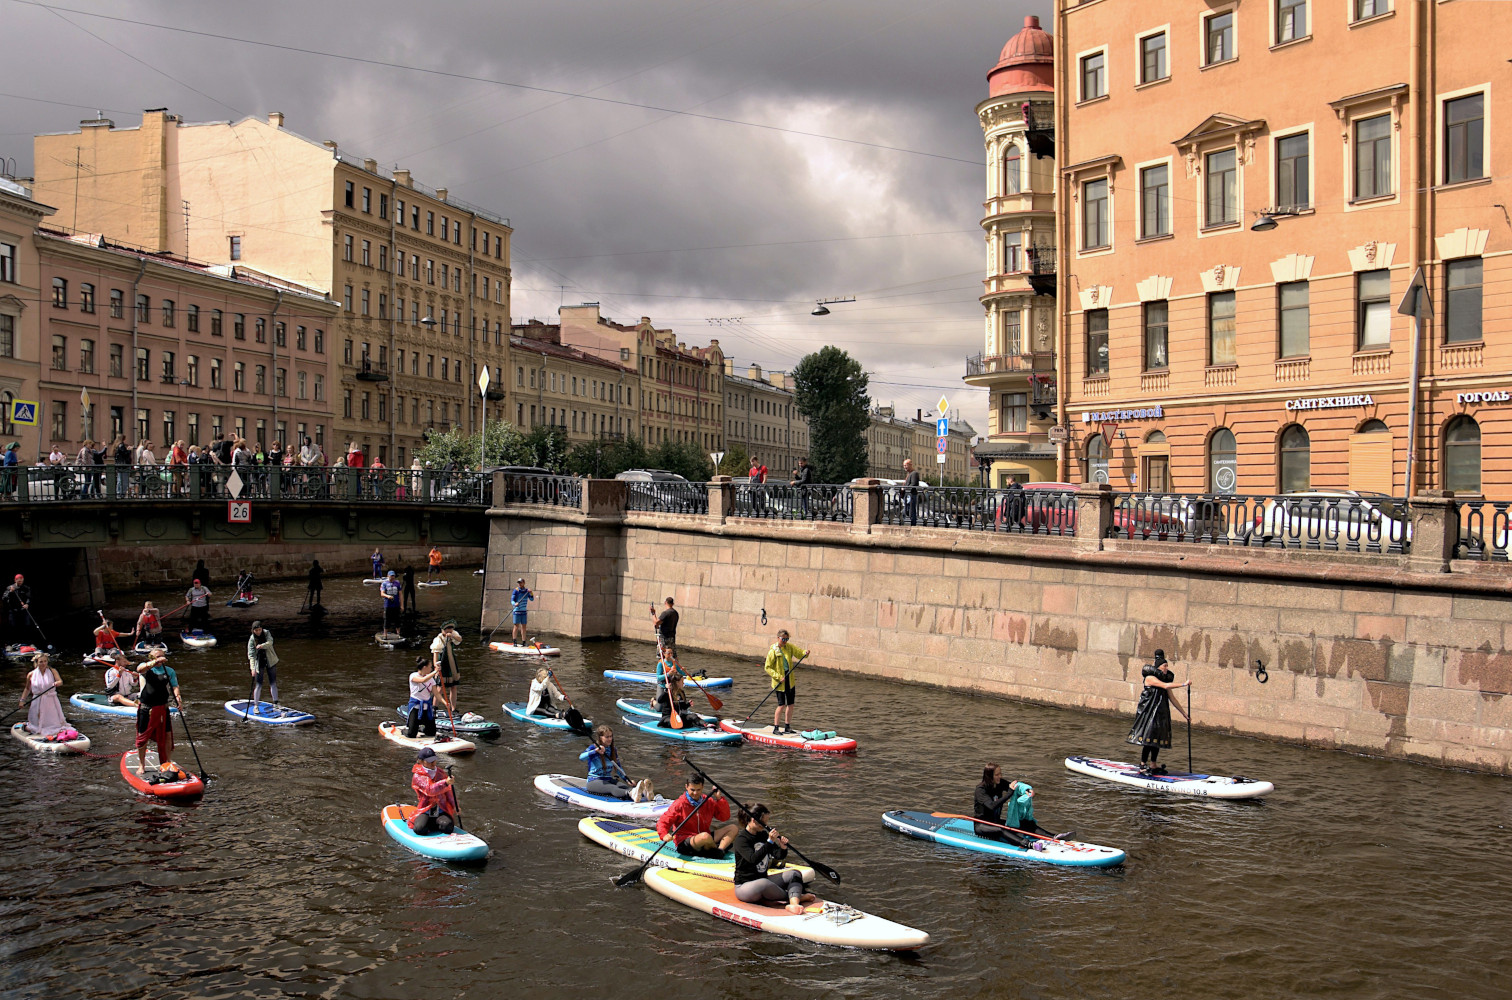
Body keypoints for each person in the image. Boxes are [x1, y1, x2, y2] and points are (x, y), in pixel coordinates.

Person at [732, 803, 816, 914]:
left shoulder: (762, 835)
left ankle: (794, 904)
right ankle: (796, 896)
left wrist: (783, 847)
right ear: (754, 820)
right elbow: (753, 859)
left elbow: (778, 855)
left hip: (764, 879)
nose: (766, 825)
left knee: (794, 874)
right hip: (744, 887)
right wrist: (769, 842)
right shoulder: (741, 840)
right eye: (764, 822)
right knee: (763, 883)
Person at [1127, 649, 1189, 774]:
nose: (1166, 668)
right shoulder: (1150, 678)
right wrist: (1183, 684)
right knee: (1148, 739)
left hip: (1161, 714)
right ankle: (1143, 764)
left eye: (1167, 666)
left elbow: (1172, 698)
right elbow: (1166, 686)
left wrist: (1184, 714)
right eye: (1164, 666)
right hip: (1149, 714)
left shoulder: (1165, 680)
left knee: (1157, 739)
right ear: (1159, 667)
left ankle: (1153, 764)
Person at [973, 764, 1062, 847]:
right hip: (981, 826)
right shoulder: (980, 790)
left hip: (995, 822)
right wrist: (1009, 793)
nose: (1000, 776)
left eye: (1000, 773)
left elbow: (1015, 786)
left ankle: (1054, 837)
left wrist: (1026, 790)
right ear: (989, 776)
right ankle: (1027, 844)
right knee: (1000, 830)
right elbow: (992, 806)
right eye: (997, 775)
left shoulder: (999, 783)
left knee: (1025, 823)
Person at [656, 775, 735, 858]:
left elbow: (724, 817)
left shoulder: (708, 801)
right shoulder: (679, 804)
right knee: (705, 836)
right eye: (692, 790)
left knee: (733, 828)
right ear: (686, 787)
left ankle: (719, 850)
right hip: (686, 841)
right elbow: (663, 821)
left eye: (698, 790)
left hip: (704, 836)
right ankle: (715, 851)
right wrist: (664, 834)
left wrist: (719, 799)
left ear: (703, 787)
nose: (695, 793)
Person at [132, 651, 183, 774]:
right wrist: (155, 662)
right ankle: (141, 765)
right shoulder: (146, 668)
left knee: (167, 735)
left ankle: (168, 761)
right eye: (157, 656)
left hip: (162, 707)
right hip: (146, 707)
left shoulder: (169, 670)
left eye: (162, 655)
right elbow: (139, 669)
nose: (161, 658)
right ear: (151, 658)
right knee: (142, 737)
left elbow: (175, 686)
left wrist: (178, 696)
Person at [579, 725, 651, 801]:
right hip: (594, 781)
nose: (610, 739)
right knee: (612, 788)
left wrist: (627, 780)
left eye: (611, 736)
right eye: (607, 737)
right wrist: (595, 751)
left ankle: (645, 794)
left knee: (624, 786)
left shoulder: (613, 750)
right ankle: (631, 793)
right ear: (600, 737)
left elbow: (618, 767)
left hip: (608, 779)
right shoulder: (593, 748)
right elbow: (581, 758)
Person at [763, 629, 808, 735]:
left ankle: (787, 727)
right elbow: (767, 667)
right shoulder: (773, 651)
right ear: (778, 638)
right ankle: (776, 728)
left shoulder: (789, 647)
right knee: (781, 705)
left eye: (787, 639)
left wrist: (805, 653)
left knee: (791, 704)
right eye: (783, 639)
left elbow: (799, 653)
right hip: (779, 682)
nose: (785, 641)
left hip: (790, 680)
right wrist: (778, 677)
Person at [408, 747, 458, 835]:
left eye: (434, 760)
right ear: (421, 761)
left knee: (448, 826)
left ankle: (434, 824)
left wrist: (455, 806)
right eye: (429, 761)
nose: (432, 763)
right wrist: (445, 783)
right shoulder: (418, 776)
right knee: (419, 829)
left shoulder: (441, 773)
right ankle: (427, 823)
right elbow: (429, 790)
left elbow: (449, 792)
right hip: (425, 810)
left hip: (441, 810)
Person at [19, 651, 68, 739]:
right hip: (37, 699)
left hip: (50, 699)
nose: (43, 663)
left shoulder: (53, 671)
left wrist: (57, 683)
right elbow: (27, 689)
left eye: (45, 661)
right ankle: (33, 727)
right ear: (37, 663)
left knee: (52, 720)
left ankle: (53, 730)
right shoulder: (31, 674)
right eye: (41, 662)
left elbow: (60, 681)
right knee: (37, 719)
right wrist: (22, 700)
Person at [430, 622, 463, 717]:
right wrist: (436, 666)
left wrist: (452, 636)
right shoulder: (438, 639)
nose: (448, 631)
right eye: (446, 629)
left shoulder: (453, 635)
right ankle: (434, 707)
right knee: (440, 687)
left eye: (450, 629)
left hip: (452, 663)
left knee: (453, 687)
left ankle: (453, 709)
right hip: (442, 663)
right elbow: (435, 654)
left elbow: (459, 640)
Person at [404, 657, 441, 738]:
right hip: (415, 706)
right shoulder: (413, 676)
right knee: (411, 734)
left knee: (431, 733)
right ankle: (407, 730)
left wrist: (446, 703)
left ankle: (422, 729)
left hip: (426, 707)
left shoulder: (431, 679)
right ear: (425, 667)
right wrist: (435, 672)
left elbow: (437, 694)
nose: (431, 669)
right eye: (430, 667)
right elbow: (423, 680)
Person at [246, 621, 279, 707]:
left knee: (273, 683)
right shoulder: (252, 639)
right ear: (253, 630)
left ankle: (276, 702)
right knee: (258, 684)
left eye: (259, 629)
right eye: (256, 630)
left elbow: (270, 642)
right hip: (259, 663)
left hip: (270, 661)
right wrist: (252, 668)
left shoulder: (266, 633)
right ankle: (256, 705)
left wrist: (262, 646)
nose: (258, 632)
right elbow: (251, 655)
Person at [651, 596, 679, 661]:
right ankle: (676, 669)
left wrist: (653, 613)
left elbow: (656, 623)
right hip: (672, 638)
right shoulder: (675, 613)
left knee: (661, 655)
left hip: (664, 638)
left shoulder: (665, 613)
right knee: (673, 655)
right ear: (673, 604)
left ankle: (660, 670)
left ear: (665, 603)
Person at [510, 578, 534, 644]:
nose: (520, 584)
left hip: (523, 611)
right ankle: (514, 641)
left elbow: (532, 599)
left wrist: (531, 593)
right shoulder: (516, 590)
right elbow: (512, 600)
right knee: (516, 626)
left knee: (524, 627)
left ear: (524, 583)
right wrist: (515, 603)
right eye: (519, 583)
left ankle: (524, 641)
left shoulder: (527, 591)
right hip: (517, 611)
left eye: (521, 582)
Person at [902, 458, 920, 525]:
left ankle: (913, 524)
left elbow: (913, 484)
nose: (905, 467)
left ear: (910, 465)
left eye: (906, 465)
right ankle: (909, 523)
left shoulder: (914, 473)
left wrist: (904, 489)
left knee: (911, 511)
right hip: (907, 495)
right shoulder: (909, 474)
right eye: (904, 465)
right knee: (906, 511)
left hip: (911, 495)